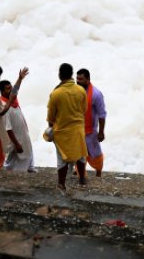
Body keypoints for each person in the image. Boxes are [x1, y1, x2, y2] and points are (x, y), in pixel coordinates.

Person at [47, 63, 88, 192]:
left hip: (62, 131)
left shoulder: (56, 93)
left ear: (60, 74)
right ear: (71, 74)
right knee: (81, 154)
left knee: (62, 159)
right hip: (78, 129)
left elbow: (51, 117)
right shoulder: (80, 90)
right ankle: (82, 180)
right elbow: (84, 109)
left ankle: (61, 184)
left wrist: (51, 128)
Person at [0, 67, 34, 173]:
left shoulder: (12, 98)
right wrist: (17, 143)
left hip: (22, 133)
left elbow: (15, 89)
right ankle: (18, 172)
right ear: (2, 91)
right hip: (15, 137)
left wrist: (20, 79)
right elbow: (8, 128)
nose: (11, 90)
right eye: (7, 89)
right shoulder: (3, 105)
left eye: (10, 88)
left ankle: (28, 168)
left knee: (25, 152)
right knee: (21, 155)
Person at [76, 68, 107, 177]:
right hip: (77, 130)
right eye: (77, 79)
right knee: (78, 154)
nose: (78, 81)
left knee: (95, 155)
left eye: (81, 79)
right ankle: (80, 173)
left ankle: (98, 173)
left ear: (88, 80)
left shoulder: (96, 94)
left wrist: (101, 132)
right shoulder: (74, 91)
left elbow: (102, 114)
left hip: (91, 131)